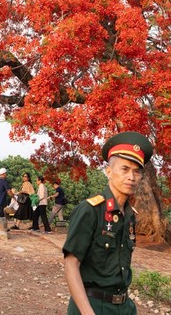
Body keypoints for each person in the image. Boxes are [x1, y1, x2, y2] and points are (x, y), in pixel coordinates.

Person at [63, 131, 153, 315]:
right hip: (92, 305)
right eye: (125, 169)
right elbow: (71, 263)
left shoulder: (129, 215)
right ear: (109, 171)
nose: (131, 177)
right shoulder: (90, 210)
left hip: (124, 307)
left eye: (137, 171)